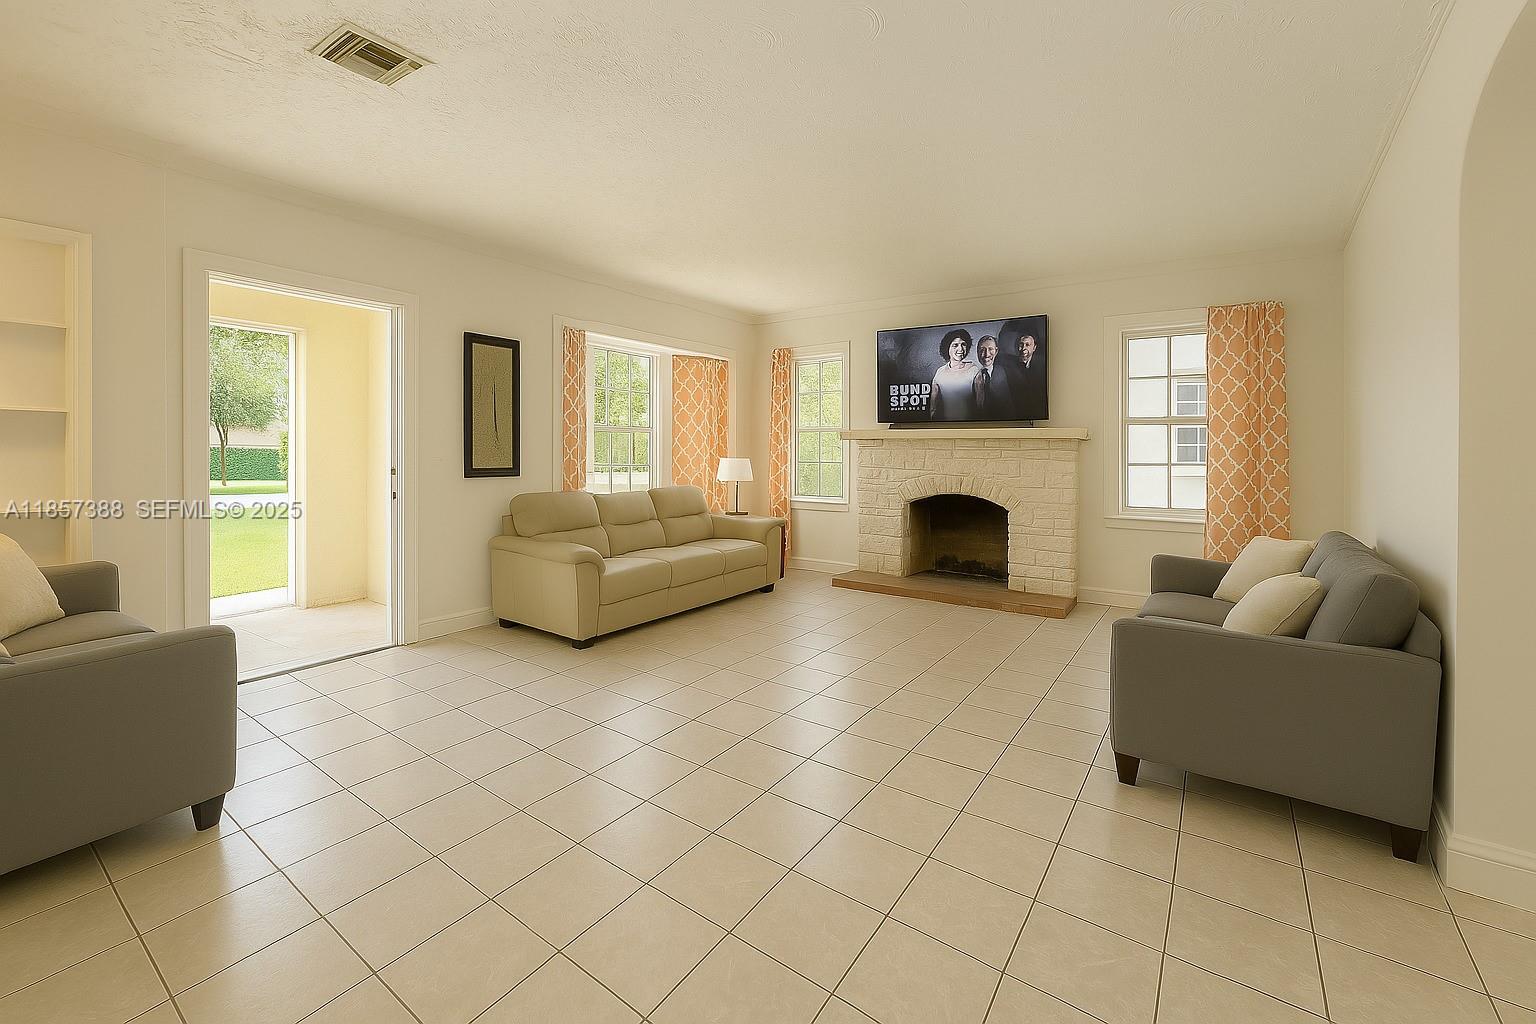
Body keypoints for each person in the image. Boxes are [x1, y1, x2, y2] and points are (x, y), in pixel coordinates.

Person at [929, 329, 979, 420]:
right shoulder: (939, 372)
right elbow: (933, 408)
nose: (960, 349)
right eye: (955, 345)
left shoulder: (974, 370)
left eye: (963, 344)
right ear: (947, 348)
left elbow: (981, 406)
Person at [972, 334, 1020, 420]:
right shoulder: (974, 377)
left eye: (990, 349)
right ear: (977, 352)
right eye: (982, 350)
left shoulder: (1007, 373)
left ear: (996, 351)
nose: (986, 354)